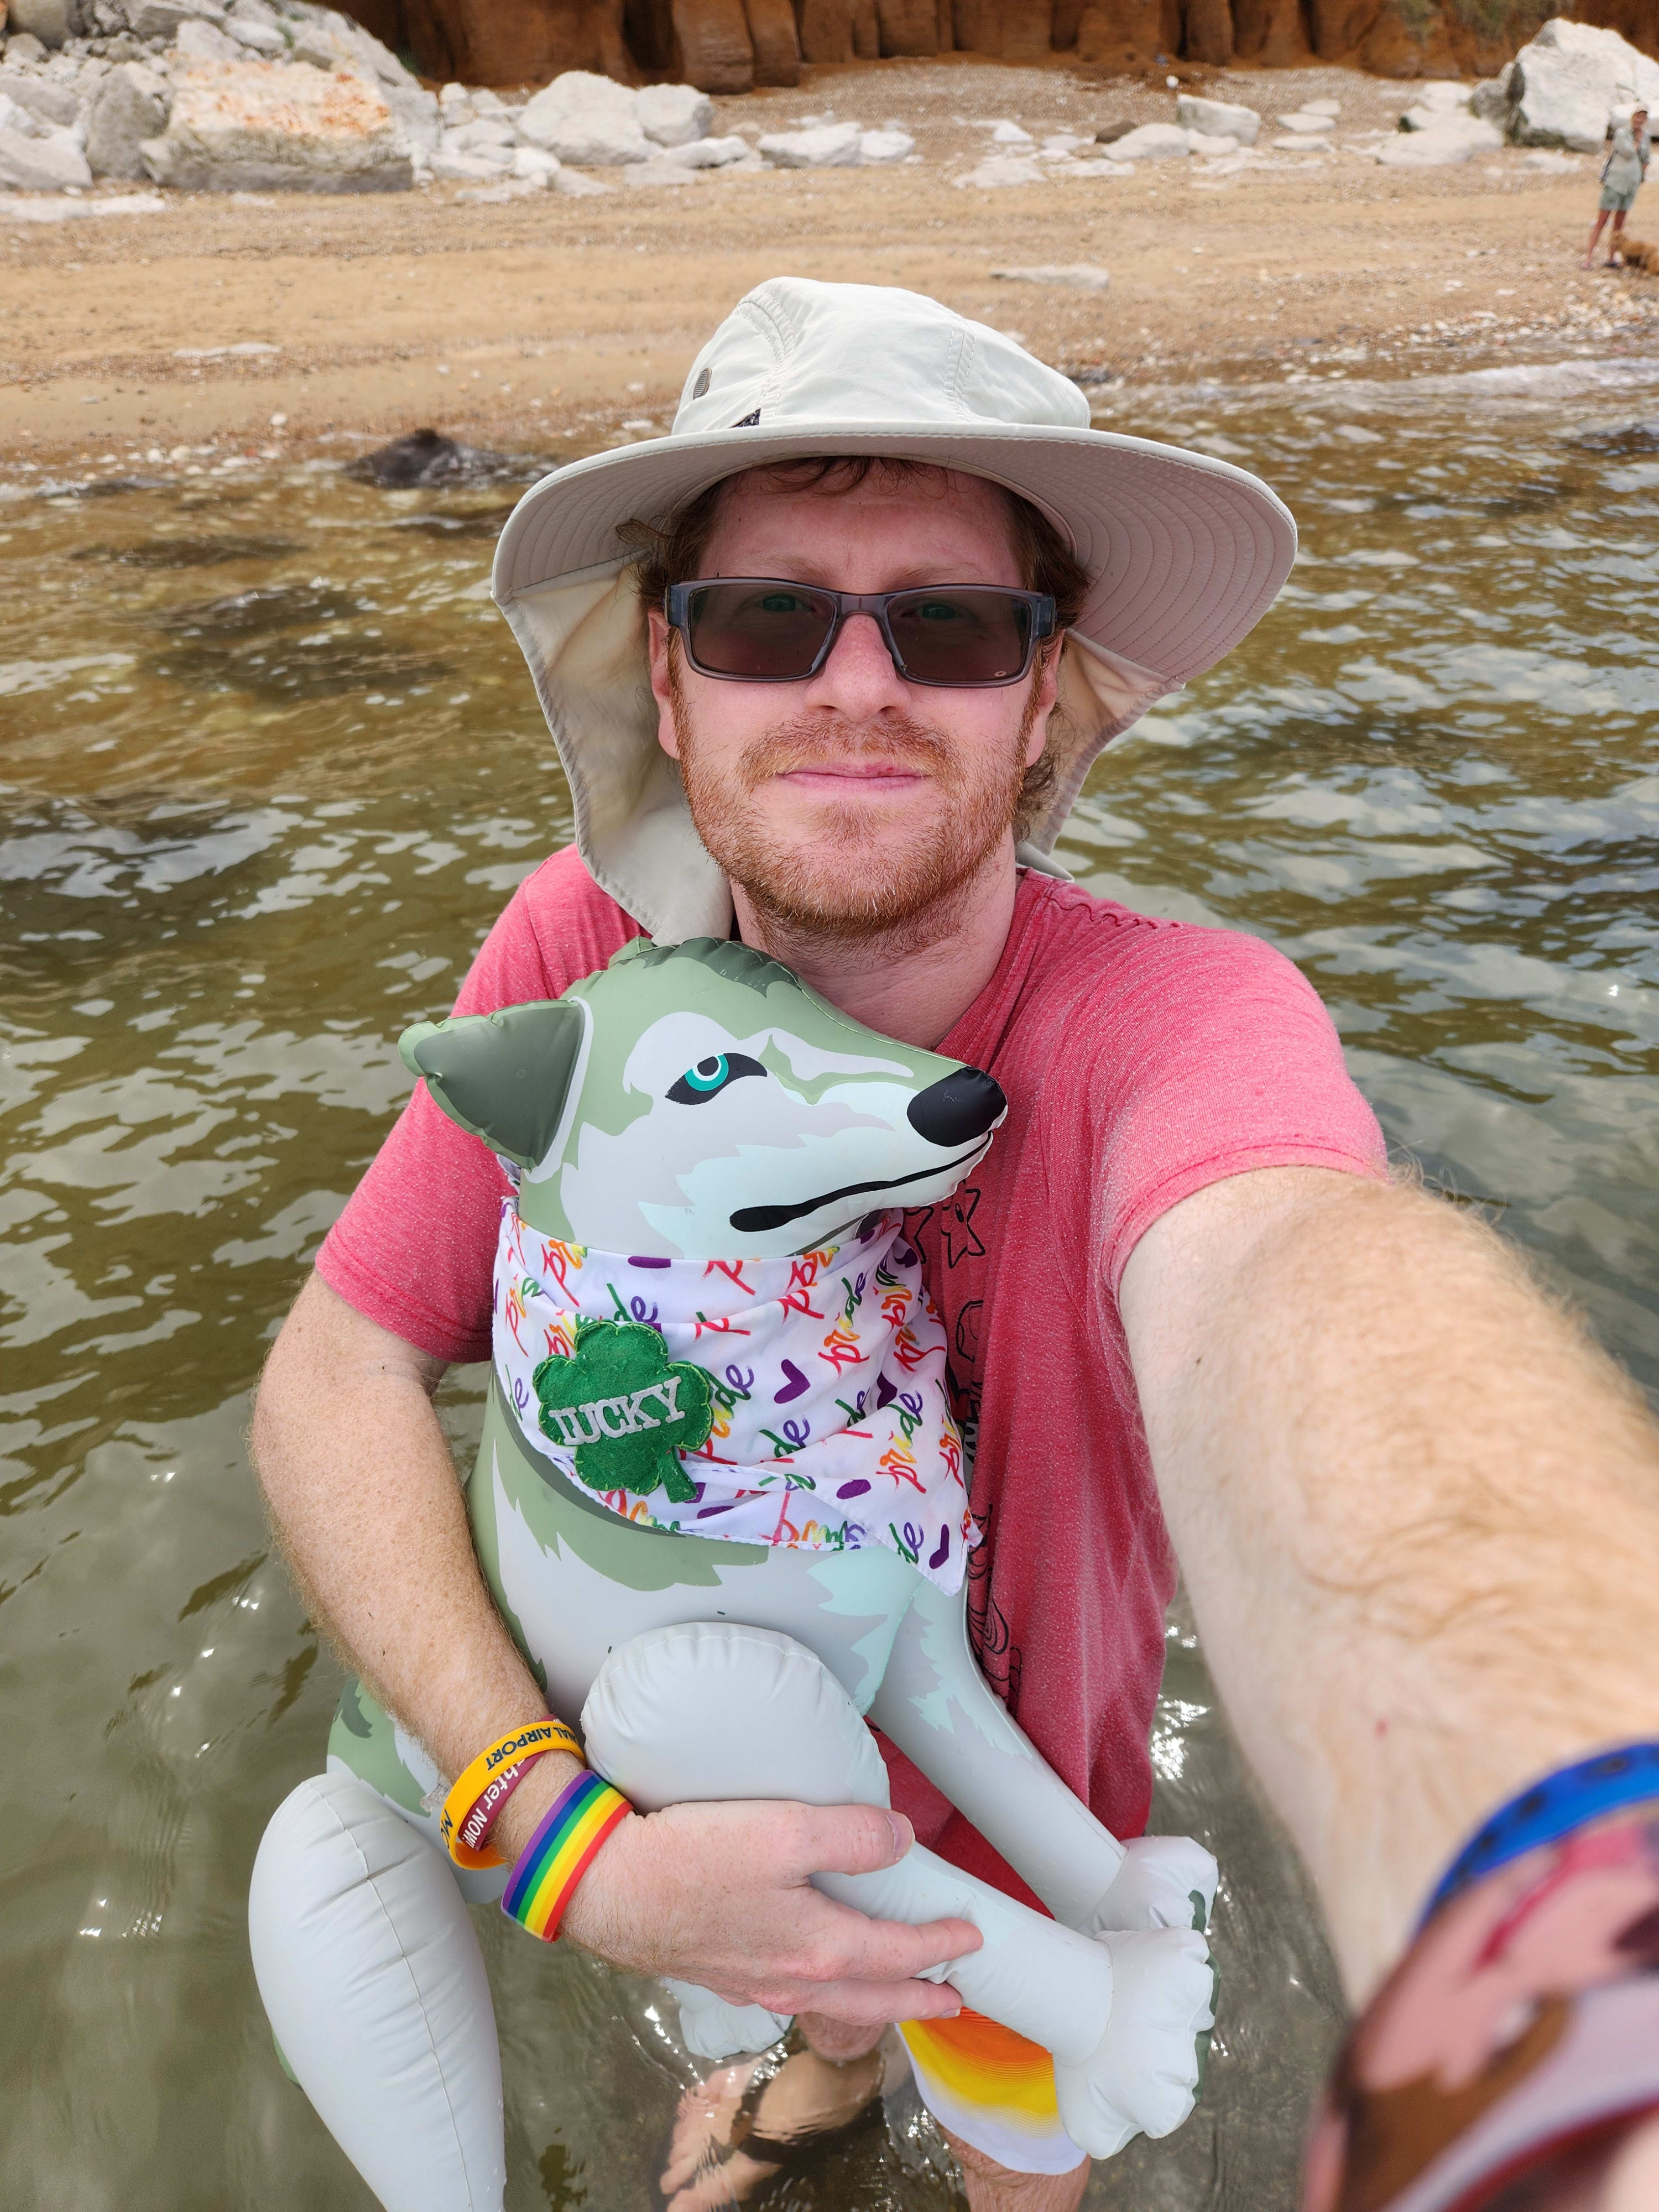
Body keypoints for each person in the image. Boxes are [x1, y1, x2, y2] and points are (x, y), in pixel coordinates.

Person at [250, 278, 1659, 2212]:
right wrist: (538, 1814)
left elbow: (1296, 1296)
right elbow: (339, 1362)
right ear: (667, 684)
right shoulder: (580, 966)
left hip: (1017, 1851)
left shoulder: (1184, 1024)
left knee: (1029, 2160)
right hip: (687, 1799)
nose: (856, 683)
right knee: (807, 2028)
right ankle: (815, 2084)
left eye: (951, 622)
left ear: (1048, 688)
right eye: (765, 618)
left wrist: (1575, 1897)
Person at [1584, 102, 1650, 267]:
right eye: (1638, 116)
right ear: (1632, 117)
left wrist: (1641, 176)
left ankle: (1612, 257)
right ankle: (1588, 258)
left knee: (1619, 224)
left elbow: (1646, 158)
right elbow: (1628, 153)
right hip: (1615, 183)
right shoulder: (1622, 134)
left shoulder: (1646, 137)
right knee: (1602, 221)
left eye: (1643, 117)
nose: (1639, 120)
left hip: (1630, 185)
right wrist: (1637, 140)